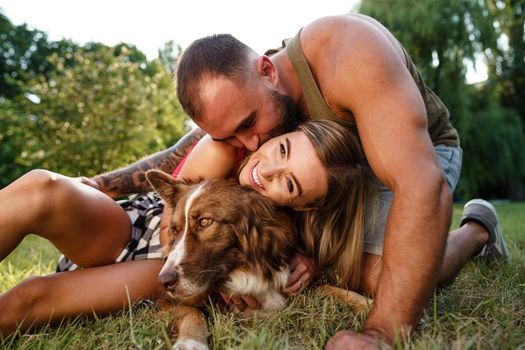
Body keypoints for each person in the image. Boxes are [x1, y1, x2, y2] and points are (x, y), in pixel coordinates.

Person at [159, 13, 509, 347]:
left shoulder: (350, 54)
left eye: (248, 125)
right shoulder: (250, 100)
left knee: (379, 275)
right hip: (317, 178)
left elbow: (420, 186)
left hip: (419, 155)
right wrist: (106, 184)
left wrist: (382, 334)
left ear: (267, 70)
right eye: (230, 138)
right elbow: (182, 161)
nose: (250, 145)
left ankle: (477, 229)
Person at [0, 120, 373, 337]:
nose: (268, 171)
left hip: (159, 273)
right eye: (283, 150)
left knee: (22, 303)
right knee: (41, 187)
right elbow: (167, 167)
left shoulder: (286, 229)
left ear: (304, 205)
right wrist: (101, 183)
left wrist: (309, 263)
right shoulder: (233, 139)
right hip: (135, 229)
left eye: (289, 184)